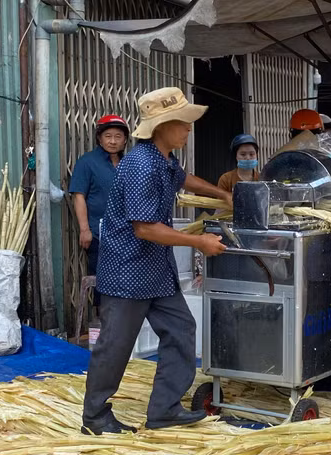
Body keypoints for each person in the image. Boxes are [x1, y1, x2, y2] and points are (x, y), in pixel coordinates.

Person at [82, 87, 232, 435]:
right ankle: (95, 417)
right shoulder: (140, 165)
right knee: (115, 345)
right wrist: (200, 241)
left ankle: (165, 408)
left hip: (156, 272)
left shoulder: (164, 160)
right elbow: (146, 229)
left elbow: (183, 179)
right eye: (183, 122)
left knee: (181, 330)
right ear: (162, 126)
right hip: (127, 270)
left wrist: (221, 194)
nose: (189, 129)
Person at [69, 114, 129, 306]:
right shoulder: (87, 162)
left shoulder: (129, 164)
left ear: (125, 140)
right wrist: (84, 229)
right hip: (98, 235)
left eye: (118, 136)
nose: (112, 141)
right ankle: (103, 328)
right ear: (99, 138)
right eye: (108, 136)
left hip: (128, 234)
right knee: (103, 283)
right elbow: (78, 196)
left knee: (127, 281)